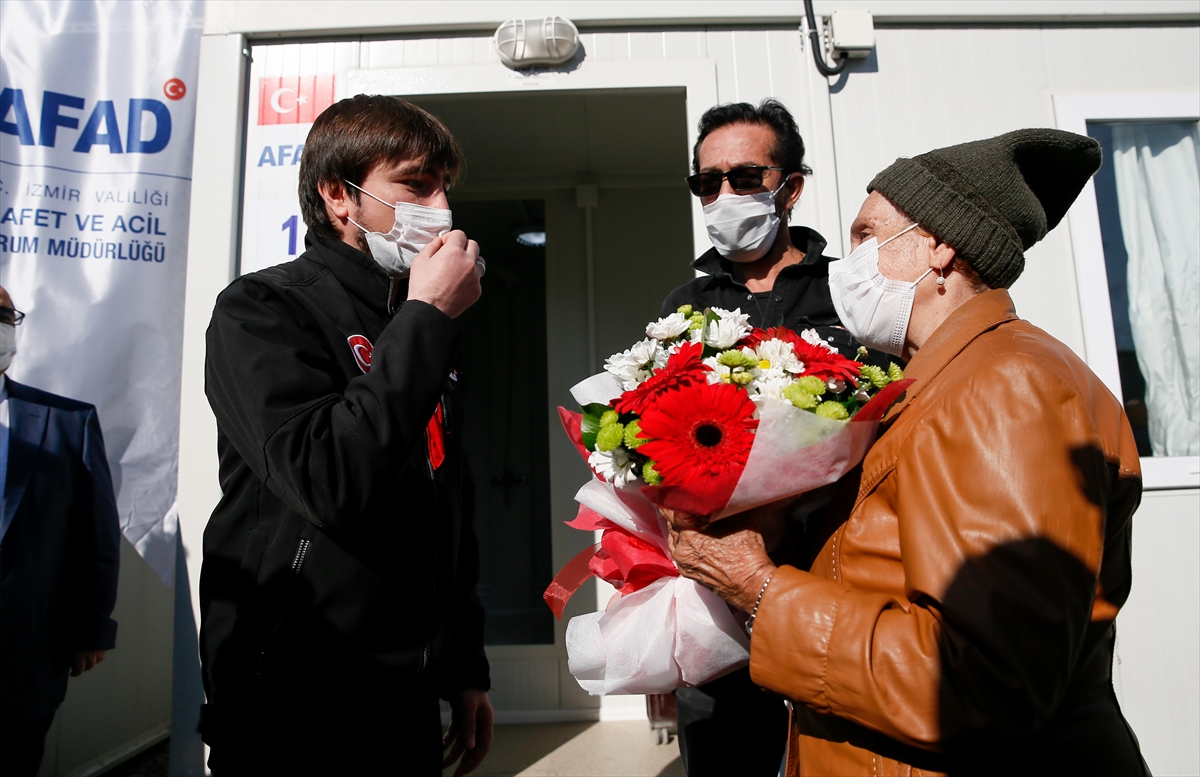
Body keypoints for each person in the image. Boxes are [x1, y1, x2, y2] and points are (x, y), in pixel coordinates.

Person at [665, 128, 1150, 776]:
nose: (848, 261)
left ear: (938, 245)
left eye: (866, 235)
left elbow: (984, 683)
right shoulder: (932, 382)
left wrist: (761, 590)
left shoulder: (1007, 387)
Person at [200, 95, 492, 776]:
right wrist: (426, 316)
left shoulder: (424, 326)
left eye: (445, 185)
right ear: (340, 196)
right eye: (417, 183)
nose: (442, 206)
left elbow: (449, 503)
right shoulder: (264, 309)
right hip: (295, 701)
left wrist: (464, 665)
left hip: (408, 698)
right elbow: (329, 479)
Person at [661, 98, 863, 777]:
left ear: (791, 186)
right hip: (719, 598)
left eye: (746, 177)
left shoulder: (850, 294)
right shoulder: (681, 309)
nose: (724, 194)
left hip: (837, 588)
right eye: (706, 182)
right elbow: (655, 450)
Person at [0, 284, 120, 777]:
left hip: (23, 662)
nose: (2, 326)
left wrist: (91, 629)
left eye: (7, 316)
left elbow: (95, 537)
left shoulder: (66, 421)